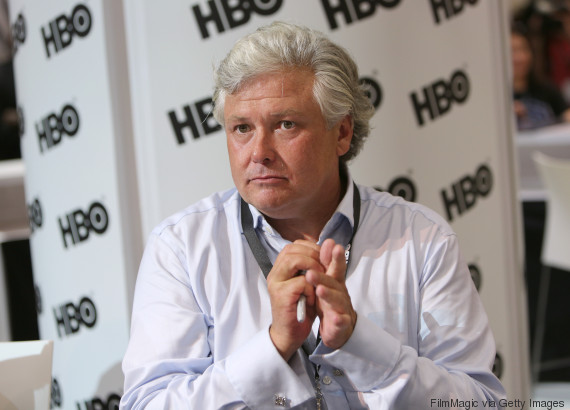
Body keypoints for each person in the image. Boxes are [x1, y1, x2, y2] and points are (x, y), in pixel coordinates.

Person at [121, 22, 505, 409]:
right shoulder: (182, 247)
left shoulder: (421, 238)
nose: (259, 152)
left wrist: (361, 345)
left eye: (285, 125)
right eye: (241, 128)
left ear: (341, 133)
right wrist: (273, 346)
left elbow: (481, 403)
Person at [511, 24, 570, 130]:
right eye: (513, 51)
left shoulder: (546, 89)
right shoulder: (496, 97)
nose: (520, 57)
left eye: (523, 49)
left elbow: (565, 113)